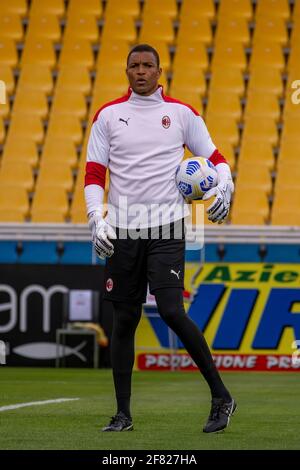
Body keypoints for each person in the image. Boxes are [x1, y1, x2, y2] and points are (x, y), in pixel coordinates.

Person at [84, 44, 236, 433]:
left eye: (147, 65)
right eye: (134, 65)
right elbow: (94, 174)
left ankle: (221, 396)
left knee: (171, 310)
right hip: (122, 229)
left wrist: (225, 186)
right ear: (126, 70)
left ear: (159, 70)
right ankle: (123, 414)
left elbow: (216, 160)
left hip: (167, 226)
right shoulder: (108, 116)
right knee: (124, 319)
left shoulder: (182, 114)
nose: (140, 71)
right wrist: (95, 219)